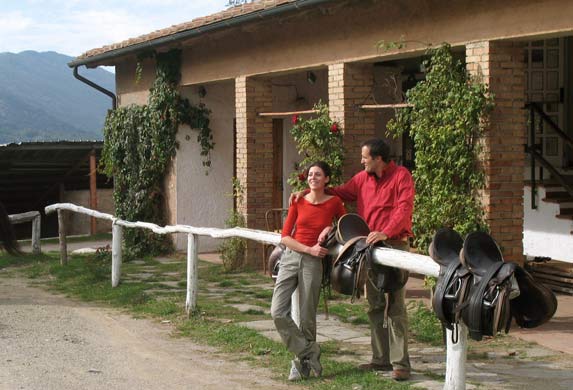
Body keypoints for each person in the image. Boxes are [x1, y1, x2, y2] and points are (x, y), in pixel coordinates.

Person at [291, 138, 415, 381]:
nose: (361, 161)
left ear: (378, 159)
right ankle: (380, 359)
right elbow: (336, 192)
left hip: (394, 243)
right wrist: (307, 192)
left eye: (365, 157)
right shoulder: (361, 179)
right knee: (375, 304)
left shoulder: (401, 176)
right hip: (368, 248)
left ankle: (401, 364)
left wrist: (386, 231)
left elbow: (404, 208)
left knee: (396, 306)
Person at [271, 161, 346, 381]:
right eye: (310, 174)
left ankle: (301, 364)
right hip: (292, 257)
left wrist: (330, 227)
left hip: (313, 264)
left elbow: (346, 227)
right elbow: (285, 236)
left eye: (318, 174)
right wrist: (308, 249)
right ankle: (309, 352)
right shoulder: (298, 200)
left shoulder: (334, 202)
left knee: (307, 315)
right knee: (277, 311)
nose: (312, 177)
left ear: (327, 179)